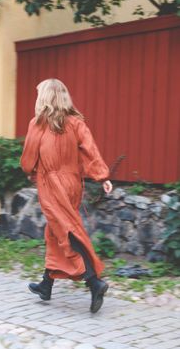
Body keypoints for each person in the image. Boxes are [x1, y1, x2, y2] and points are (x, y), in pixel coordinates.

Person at [20, 78, 113, 313]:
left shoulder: (38, 124)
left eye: (38, 93)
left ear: (45, 98)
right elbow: (90, 150)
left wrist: (31, 171)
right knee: (55, 229)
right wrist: (103, 176)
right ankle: (46, 285)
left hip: (51, 183)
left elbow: (28, 160)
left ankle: (94, 282)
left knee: (65, 230)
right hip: (73, 183)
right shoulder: (76, 123)